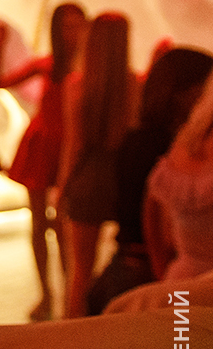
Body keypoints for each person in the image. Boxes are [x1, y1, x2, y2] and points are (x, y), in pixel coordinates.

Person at [90, 47, 213, 310]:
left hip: (158, 273)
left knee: (178, 336)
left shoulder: (149, 142)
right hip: (169, 278)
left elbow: (152, 213)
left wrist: (162, 271)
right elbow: (154, 217)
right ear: (186, 92)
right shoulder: (168, 145)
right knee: (185, 336)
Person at [0, 2, 87, 321]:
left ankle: (70, 293)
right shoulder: (48, 64)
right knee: (38, 222)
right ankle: (46, 294)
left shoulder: (87, 67)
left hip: (68, 147)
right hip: (42, 145)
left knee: (64, 224)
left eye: (78, 25)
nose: (73, 33)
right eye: (67, 26)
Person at [58, 12, 138, 317]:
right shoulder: (133, 83)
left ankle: (75, 332)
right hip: (123, 179)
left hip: (87, 179)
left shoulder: (76, 85)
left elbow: (73, 146)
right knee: (128, 262)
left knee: (80, 272)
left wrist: (62, 188)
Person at [149, 81, 213, 283]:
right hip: (204, 289)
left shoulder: (188, 141)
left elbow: (151, 210)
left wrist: (160, 269)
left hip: (181, 284)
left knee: (178, 308)